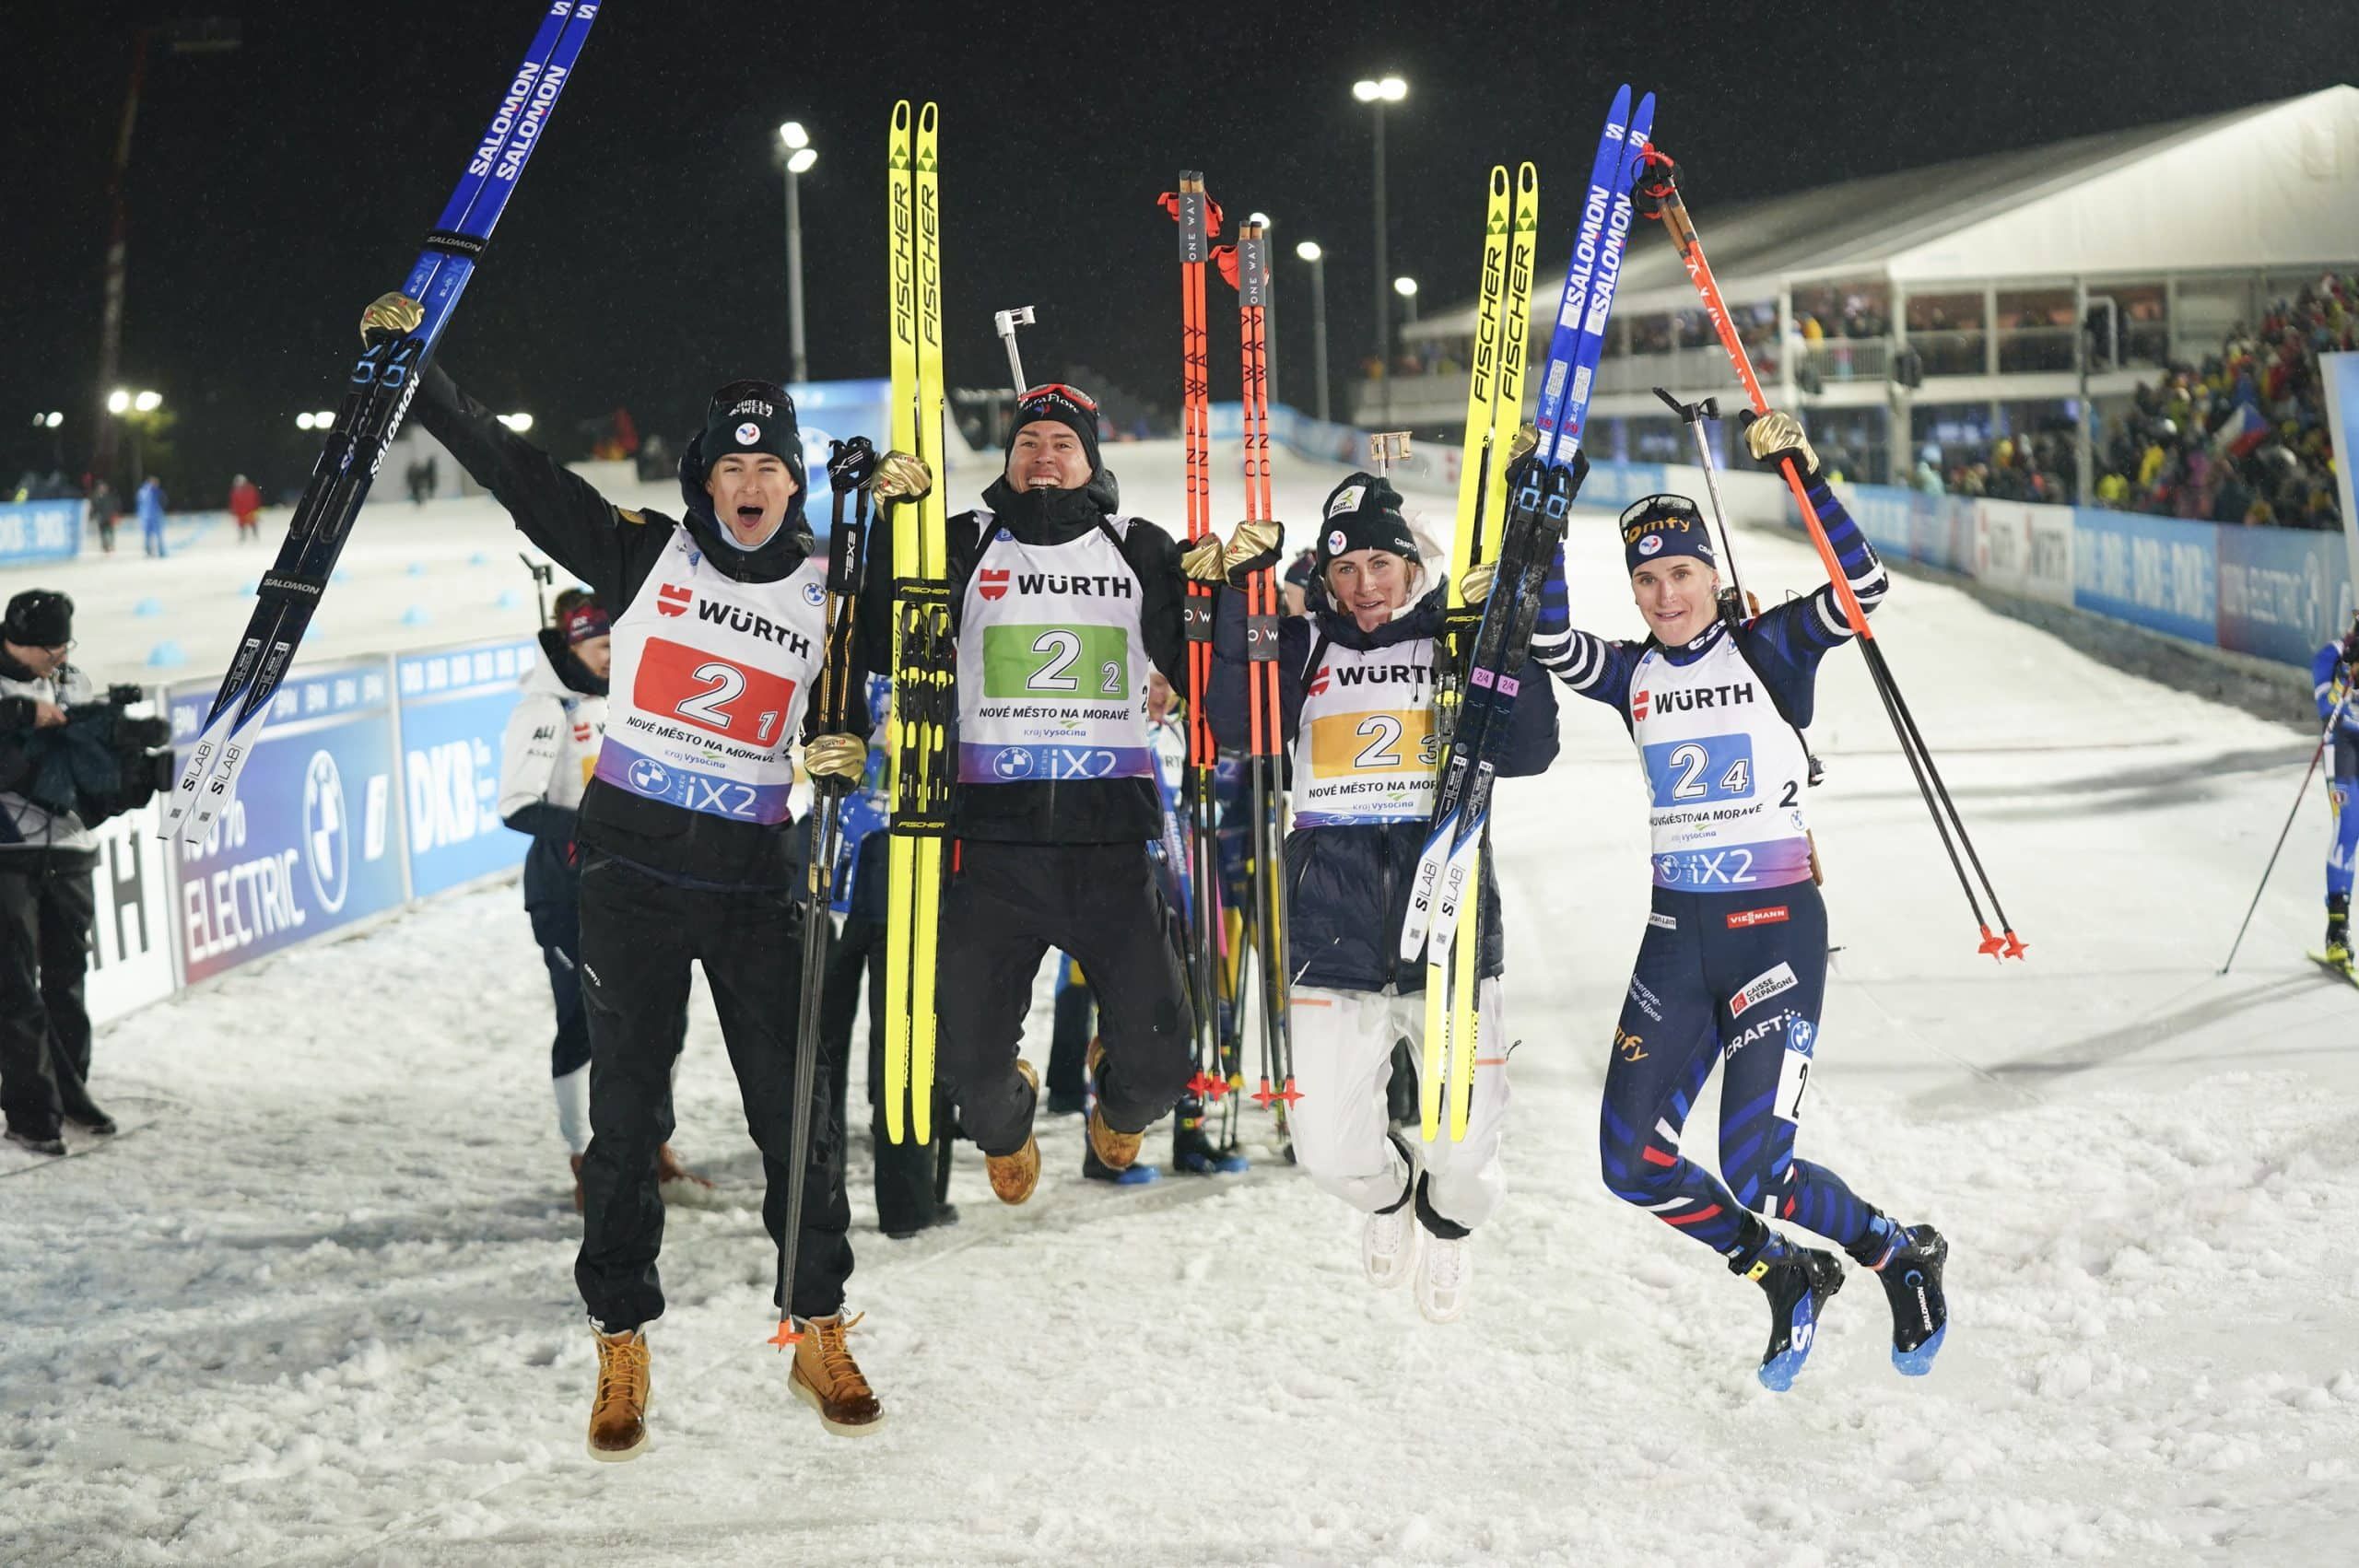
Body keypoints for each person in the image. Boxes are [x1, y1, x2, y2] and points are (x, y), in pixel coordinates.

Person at [375, 289, 903, 1454]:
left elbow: (903, 675)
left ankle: (815, 1325)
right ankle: (622, 1340)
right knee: (626, 1113)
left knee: (797, 1111)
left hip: (760, 875)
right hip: (632, 870)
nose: (752, 481)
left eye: (772, 465)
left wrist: (850, 737)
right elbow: (522, 474)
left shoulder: (836, 584)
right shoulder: (639, 551)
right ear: (705, 476)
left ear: (793, 483)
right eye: (732, 462)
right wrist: (423, 374)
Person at [1532, 411, 1948, 1390]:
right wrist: (1544, 514)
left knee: (1759, 1162)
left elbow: (1865, 587)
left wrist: (1799, 469)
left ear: (1713, 576)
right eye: (1645, 578)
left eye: (1681, 573)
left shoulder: (1771, 648)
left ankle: (1898, 1253)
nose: (1664, 594)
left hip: (1773, 932)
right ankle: (1783, 1269)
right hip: (1676, 939)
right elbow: (1550, 638)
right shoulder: (1632, 672)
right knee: (1631, 1163)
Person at [856, 382, 1267, 1205]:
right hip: (989, 851)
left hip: (1108, 850)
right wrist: (889, 530)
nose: (1044, 458)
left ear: (1091, 461)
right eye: (1029, 443)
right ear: (1008, 458)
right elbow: (876, 642)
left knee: (1164, 1066)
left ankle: (1115, 1103)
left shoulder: (1139, 546)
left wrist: (1228, 595)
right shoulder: (963, 542)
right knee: (965, 1072)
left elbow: (1202, 682)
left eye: (1062, 445)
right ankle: (1007, 1122)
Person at [1210, 472, 1558, 1322]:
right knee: (1326, 1152)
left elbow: (1530, 750)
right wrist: (1236, 598)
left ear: (1411, 565)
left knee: (1463, 1149)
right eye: (1345, 571)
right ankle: (1391, 1197)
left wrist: (1503, 636)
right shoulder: (1303, 649)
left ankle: (1444, 1219)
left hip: (1447, 928)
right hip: (1334, 933)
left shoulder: (1451, 637)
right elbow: (1237, 728)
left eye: (1380, 564)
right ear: (1322, 578)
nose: (1365, 586)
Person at [0, 591, 165, 1155]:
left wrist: (139, 775)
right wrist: (24, 716)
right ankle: (30, 1113)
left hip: (69, 852)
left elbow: (88, 776)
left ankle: (73, 1096)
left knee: (66, 985)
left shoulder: (71, 681)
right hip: (7, 857)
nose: (60, 656)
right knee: (16, 994)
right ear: (17, 641)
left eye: (65, 644)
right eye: (51, 646)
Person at [817, 674, 957, 1238]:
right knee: (896, 1049)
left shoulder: (841, 636)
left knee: (828, 1050)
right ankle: (904, 1204)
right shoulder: (930, 644)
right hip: (889, 869)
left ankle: (822, 1207)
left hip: (840, 866)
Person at [2310, 616, 2359, 976]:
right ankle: (2337, 932)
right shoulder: (2330, 655)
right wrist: (2347, 675)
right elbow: (2328, 710)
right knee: (2347, 829)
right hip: (2343, 748)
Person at [135, 476, 167, 558]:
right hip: (154, 516)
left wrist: (140, 515)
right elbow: (163, 500)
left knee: (148, 536)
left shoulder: (141, 491)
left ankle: (149, 551)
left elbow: (139, 504)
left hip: (146, 517)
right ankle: (160, 551)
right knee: (157, 534)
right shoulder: (154, 491)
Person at [229, 474, 264, 542]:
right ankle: (242, 537)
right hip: (241, 512)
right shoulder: (235, 491)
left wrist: (256, 508)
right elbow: (233, 502)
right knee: (242, 525)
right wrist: (234, 510)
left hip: (250, 511)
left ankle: (255, 536)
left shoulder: (251, 489)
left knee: (253, 523)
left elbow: (256, 499)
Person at [87, 479, 117, 555]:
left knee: (110, 531)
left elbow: (113, 505)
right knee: (103, 532)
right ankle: (105, 546)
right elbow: (93, 508)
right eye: (102, 487)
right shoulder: (96, 497)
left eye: (104, 487)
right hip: (101, 517)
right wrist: (91, 516)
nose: (103, 489)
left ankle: (110, 545)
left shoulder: (109, 496)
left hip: (109, 517)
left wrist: (114, 513)